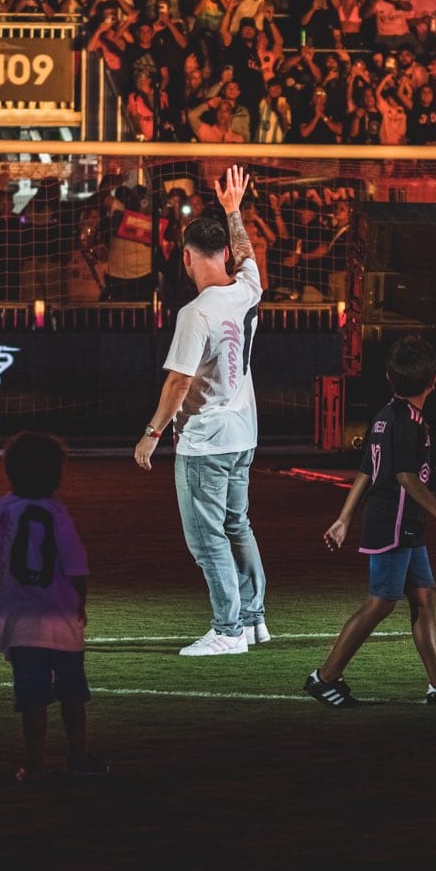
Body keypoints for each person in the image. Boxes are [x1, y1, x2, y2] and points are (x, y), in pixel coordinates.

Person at [304, 336, 436, 709]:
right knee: (380, 603)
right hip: (394, 523)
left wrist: (343, 518)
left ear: (389, 378)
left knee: (423, 597)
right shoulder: (408, 424)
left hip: (403, 523)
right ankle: (324, 677)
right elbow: (404, 476)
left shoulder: (386, 414)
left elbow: (367, 469)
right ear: (434, 381)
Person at [133, 164, 268, 657]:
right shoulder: (246, 289)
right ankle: (253, 620)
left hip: (206, 441)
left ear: (186, 257)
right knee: (238, 526)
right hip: (244, 435)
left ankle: (228, 630)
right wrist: (234, 211)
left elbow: (179, 380)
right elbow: (250, 256)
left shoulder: (196, 313)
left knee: (207, 537)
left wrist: (151, 432)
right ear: (226, 255)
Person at [0, 431, 103, 783]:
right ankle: (78, 759)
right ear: (57, 476)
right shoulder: (57, 512)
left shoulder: (2, 509)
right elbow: (75, 563)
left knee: (33, 700)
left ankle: (35, 766)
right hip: (60, 620)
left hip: (20, 624)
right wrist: (79, 600)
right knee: (72, 696)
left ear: (10, 473)